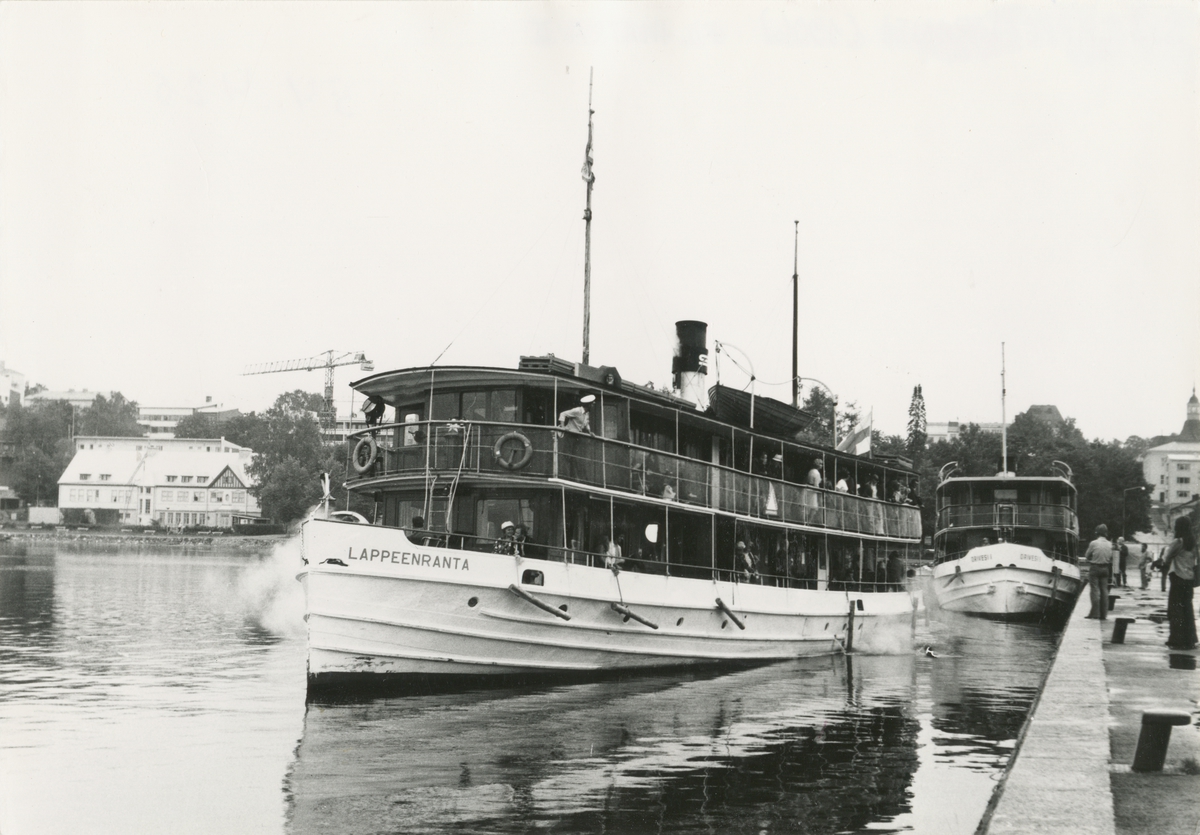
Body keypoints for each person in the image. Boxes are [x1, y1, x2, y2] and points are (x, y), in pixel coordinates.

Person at [1161, 517, 1198, 650]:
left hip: (1177, 578)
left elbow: (1167, 558)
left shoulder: (1178, 542)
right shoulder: (1193, 543)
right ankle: (1190, 639)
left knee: (1175, 610)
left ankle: (1176, 640)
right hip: (1189, 579)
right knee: (1187, 609)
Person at [557, 394, 595, 480]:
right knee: (567, 456)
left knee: (574, 457)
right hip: (569, 435)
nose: (593, 405)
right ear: (588, 404)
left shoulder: (586, 413)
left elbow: (586, 423)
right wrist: (562, 427)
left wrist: (590, 432)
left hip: (577, 436)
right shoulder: (577, 410)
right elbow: (563, 414)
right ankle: (565, 476)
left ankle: (572, 477)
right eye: (592, 404)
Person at [1084, 524, 1113, 620]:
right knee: (1104, 591)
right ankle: (1103, 614)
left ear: (1097, 533)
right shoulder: (1110, 544)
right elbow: (1111, 557)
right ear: (1106, 534)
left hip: (1095, 568)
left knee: (1095, 590)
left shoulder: (1093, 543)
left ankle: (1095, 613)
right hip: (1105, 569)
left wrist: (1092, 558)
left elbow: (1087, 556)